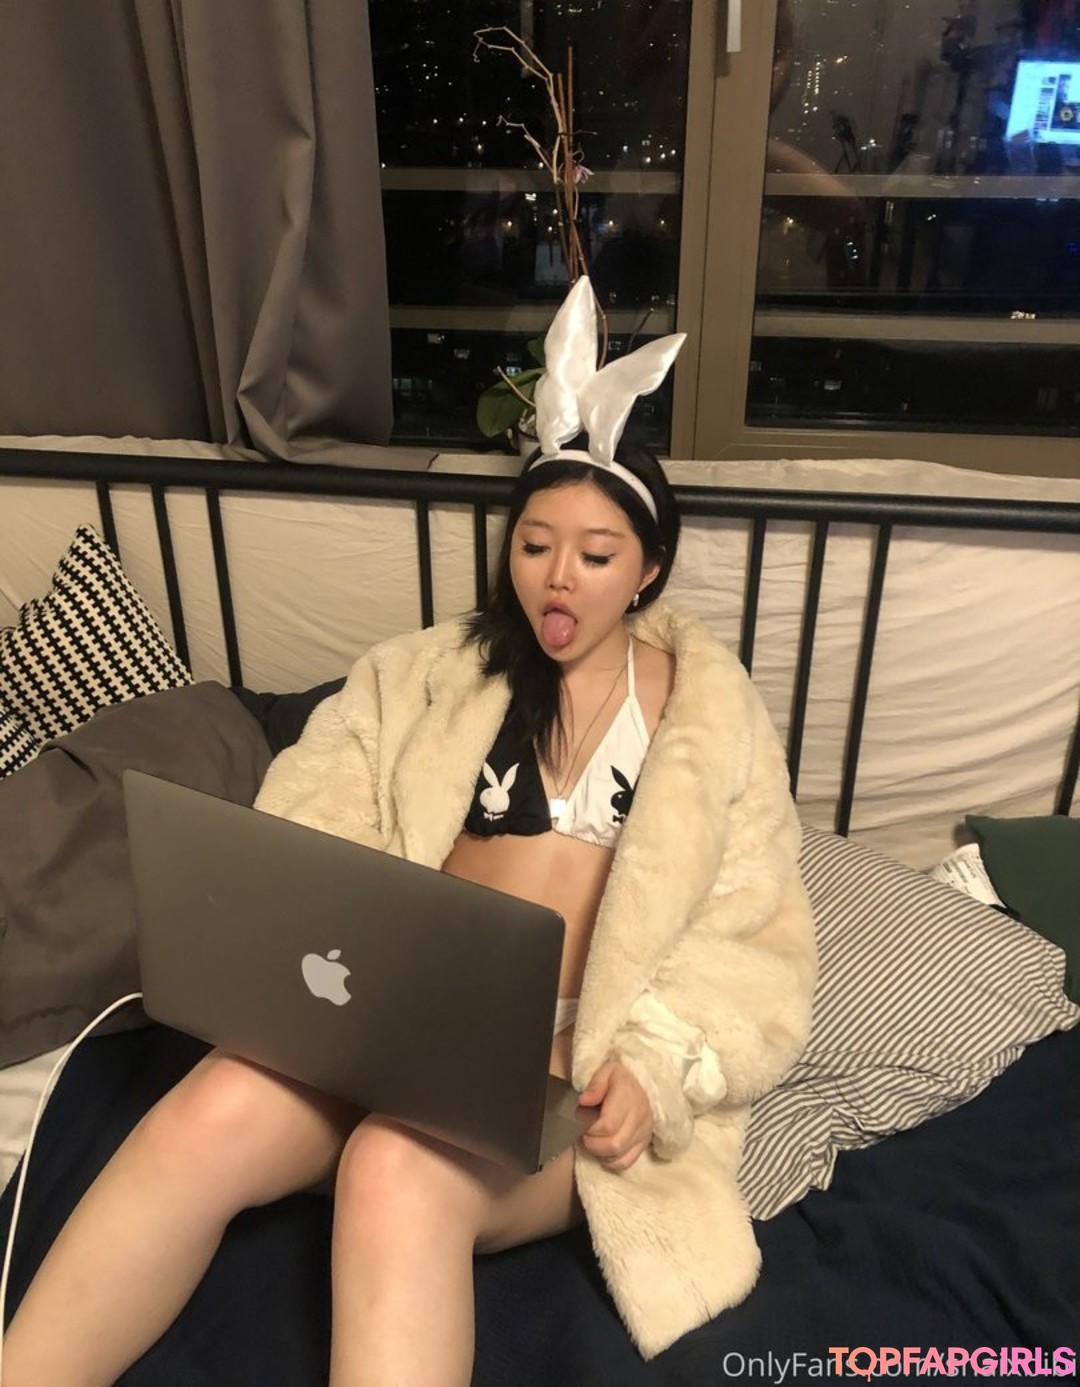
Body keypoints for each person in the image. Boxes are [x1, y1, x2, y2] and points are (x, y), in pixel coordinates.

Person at [4, 278, 817, 1385]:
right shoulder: (426, 674)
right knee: (211, 1107)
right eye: (535, 545)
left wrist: (653, 1069)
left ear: (650, 567)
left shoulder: (715, 720)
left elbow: (752, 939)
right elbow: (312, 815)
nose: (558, 578)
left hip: (566, 1079)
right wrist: (330, 978)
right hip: (389, 1024)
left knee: (394, 1166)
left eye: (595, 553)